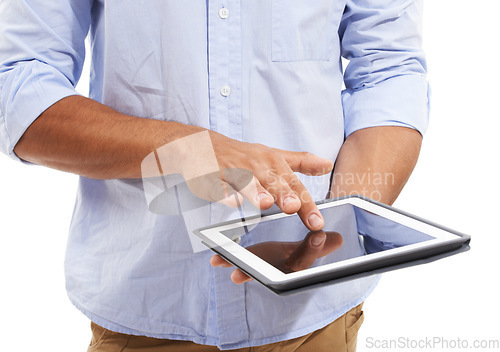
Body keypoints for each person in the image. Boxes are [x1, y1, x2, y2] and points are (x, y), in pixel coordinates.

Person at [0, 0, 428, 351]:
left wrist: (331, 228)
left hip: (316, 320)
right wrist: (186, 149)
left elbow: (389, 69)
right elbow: (16, 85)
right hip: (147, 316)